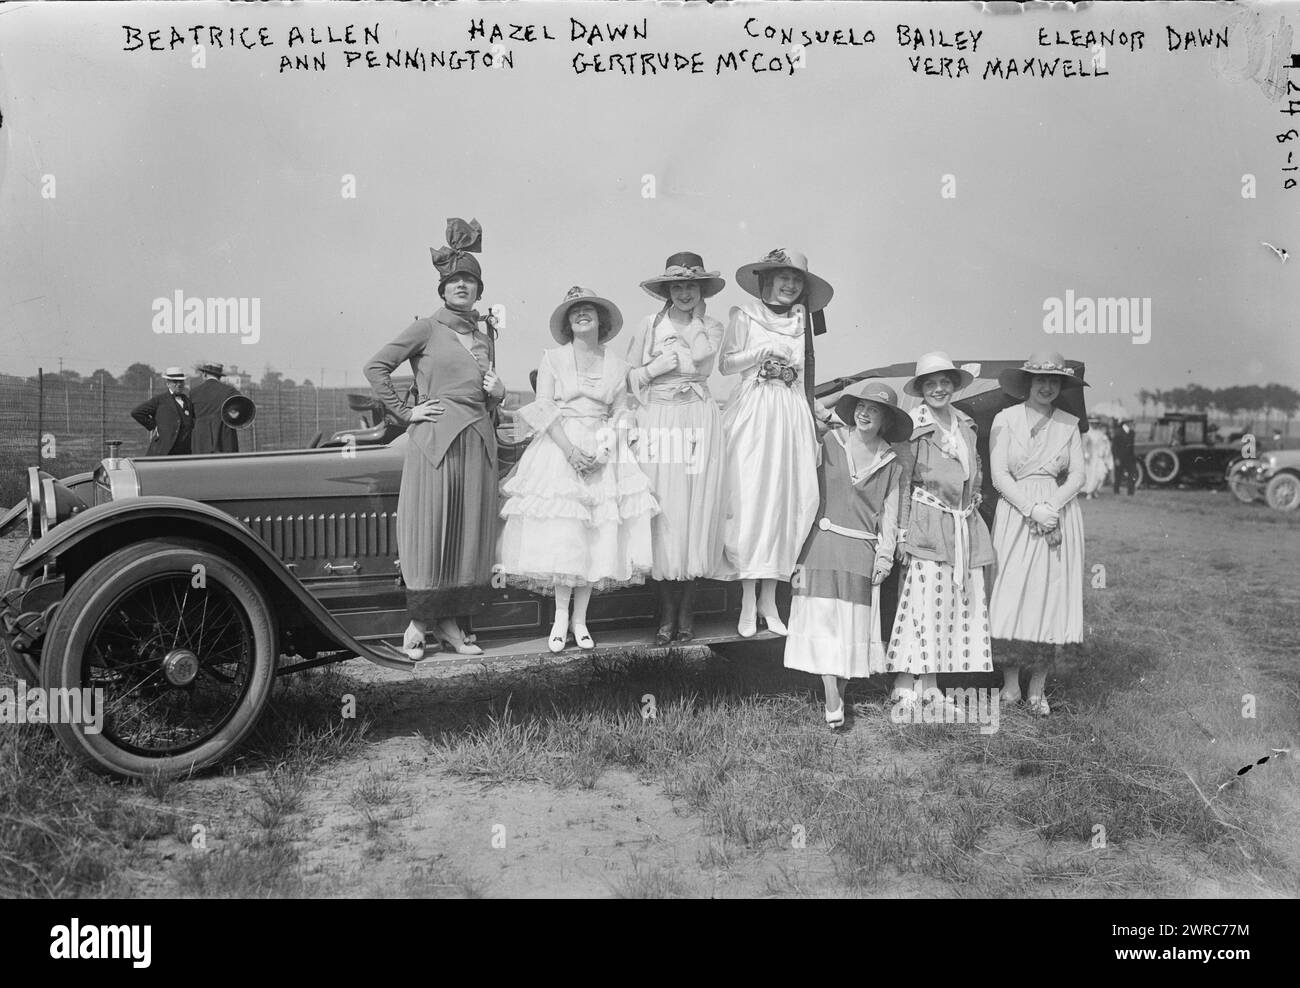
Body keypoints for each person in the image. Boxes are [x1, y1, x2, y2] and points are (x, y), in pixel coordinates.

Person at [363, 218, 505, 659]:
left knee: (466, 533)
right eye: (454, 280)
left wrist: (497, 392)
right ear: (442, 289)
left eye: (470, 281)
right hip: (435, 440)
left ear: (479, 291)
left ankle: (449, 625)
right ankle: (420, 623)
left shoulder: (483, 336)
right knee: (433, 528)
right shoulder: (425, 328)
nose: (462, 286)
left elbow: (488, 392)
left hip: (478, 439)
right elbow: (376, 368)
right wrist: (407, 413)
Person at [497, 287, 658, 653]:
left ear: (601, 320)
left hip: (602, 450)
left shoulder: (618, 366)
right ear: (568, 323)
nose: (582, 315)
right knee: (564, 536)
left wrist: (603, 451)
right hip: (559, 447)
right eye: (575, 312)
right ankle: (559, 619)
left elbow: (621, 413)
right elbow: (543, 408)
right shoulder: (553, 358)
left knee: (596, 535)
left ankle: (582, 621)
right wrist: (570, 451)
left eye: (589, 310)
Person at [718, 248, 831, 637]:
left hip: (790, 413)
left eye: (796, 280)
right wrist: (760, 351)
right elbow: (726, 364)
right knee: (752, 500)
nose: (789, 285)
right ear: (765, 280)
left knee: (788, 501)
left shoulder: (803, 319)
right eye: (783, 277)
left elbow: (806, 376)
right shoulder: (744, 314)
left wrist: (812, 421)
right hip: (754, 410)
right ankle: (748, 600)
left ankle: (771, 599)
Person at [785, 381, 911, 729]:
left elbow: (890, 516)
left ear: (886, 419)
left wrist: (884, 558)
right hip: (819, 547)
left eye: (874, 409)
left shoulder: (891, 463)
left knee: (850, 631)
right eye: (860, 406)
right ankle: (831, 695)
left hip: (860, 552)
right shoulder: (828, 442)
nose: (865, 413)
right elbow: (799, 403)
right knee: (821, 623)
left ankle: (837, 693)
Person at [624, 252, 728, 644]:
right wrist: (652, 369)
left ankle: (689, 608)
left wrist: (695, 322)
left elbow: (702, 358)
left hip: (698, 417)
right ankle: (665, 610)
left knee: (695, 510)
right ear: (666, 289)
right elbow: (628, 376)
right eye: (678, 286)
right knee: (665, 508)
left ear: (701, 290)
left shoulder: (711, 326)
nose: (685, 293)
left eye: (692, 286)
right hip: (660, 418)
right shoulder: (649, 325)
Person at [886, 352, 995, 712]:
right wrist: (902, 532)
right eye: (930, 384)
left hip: (962, 525)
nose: (938, 389)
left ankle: (927, 685)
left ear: (954, 386)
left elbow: (973, 472)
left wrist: (972, 494)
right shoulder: (913, 426)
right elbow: (903, 482)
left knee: (951, 604)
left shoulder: (965, 424)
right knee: (922, 603)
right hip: (927, 522)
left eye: (944, 382)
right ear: (920, 389)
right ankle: (912, 683)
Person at [988, 352, 1088, 716]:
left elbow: (1077, 475)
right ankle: (1011, 683)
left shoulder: (1068, 423)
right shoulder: (1005, 419)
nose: (1046, 387)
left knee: (1049, 595)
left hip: (1057, 512)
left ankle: (1038, 687)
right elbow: (1000, 475)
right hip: (1017, 511)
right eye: (1039, 379)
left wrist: (1051, 507)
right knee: (1011, 593)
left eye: (1054, 381)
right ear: (1027, 382)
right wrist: (1032, 509)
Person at [131, 366, 195, 456]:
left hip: (184, 451)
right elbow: (137, 412)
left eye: (181, 381)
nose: (179, 384)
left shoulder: (188, 401)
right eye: (175, 382)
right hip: (164, 451)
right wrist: (155, 426)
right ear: (168, 383)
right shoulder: (160, 400)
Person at [189, 362, 243, 453]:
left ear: (204, 374)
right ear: (219, 376)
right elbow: (241, 409)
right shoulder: (230, 391)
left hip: (201, 439)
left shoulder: (194, 392)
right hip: (225, 438)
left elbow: (190, 417)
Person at [1080, 420, 1112, 498]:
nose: (1095, 425)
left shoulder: (1100, 433)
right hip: (1090, 457)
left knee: (1102, 474)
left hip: (1099, 457)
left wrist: (1105, 452)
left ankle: (1095, 490)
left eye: (1096, 423)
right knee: (1091, 475)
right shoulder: (1087, 433)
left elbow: (1106, 444)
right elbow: (1084, 444)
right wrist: (1086, 454)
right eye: (1093, 423)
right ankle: (1089, 492)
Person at [1111, 418, 1137, 495]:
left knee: (1132, 474)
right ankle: (1116, 491)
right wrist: (1116, 458)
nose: (1132, 424)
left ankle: (1131, 492)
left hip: (1130, 458)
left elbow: (1132, 446)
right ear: (1126, 423)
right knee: (1118, 475)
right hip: (1120, 458)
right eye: (1130, 422)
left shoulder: (1132, 433)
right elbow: (1114, 447)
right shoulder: (1118, 433)